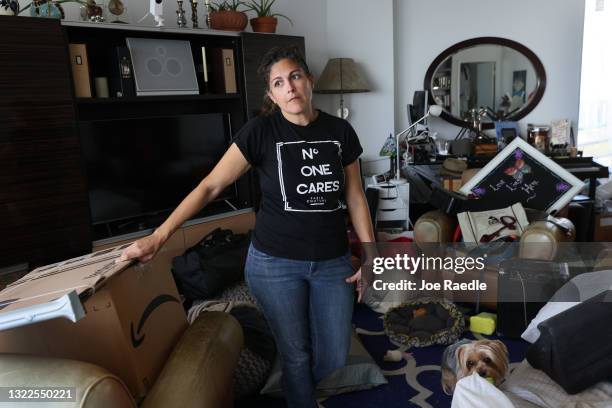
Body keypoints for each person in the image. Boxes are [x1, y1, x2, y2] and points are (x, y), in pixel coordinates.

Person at [118, 45, 375, 408]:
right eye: (279, 83)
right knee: (296, 353)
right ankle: (301, 399)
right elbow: (211, 185)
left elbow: (356, 196)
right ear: (272, 94)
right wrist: (159, 237)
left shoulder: (340, 131)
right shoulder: (260, 132)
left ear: (309, 80)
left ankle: (296, 388)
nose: (290, 88)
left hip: (331, 261)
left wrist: (371, 255)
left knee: (333, 355)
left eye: (295, 77)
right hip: (275, 265)